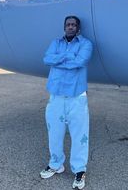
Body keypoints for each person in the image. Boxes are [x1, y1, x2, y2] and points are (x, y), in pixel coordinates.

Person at [40, 16, 93, 189]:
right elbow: (47, 59)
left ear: (78, 28)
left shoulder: (86, 44)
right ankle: (56, 164)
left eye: (73, 25)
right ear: (64, 27)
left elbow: (81, 61)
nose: (70, 27)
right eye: (68, 24)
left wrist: (59, 60)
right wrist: (68, 56)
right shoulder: (56, 42)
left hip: (77, 96)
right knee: (54, 133)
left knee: (80, 136)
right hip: (55, 96)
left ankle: (79, 171)